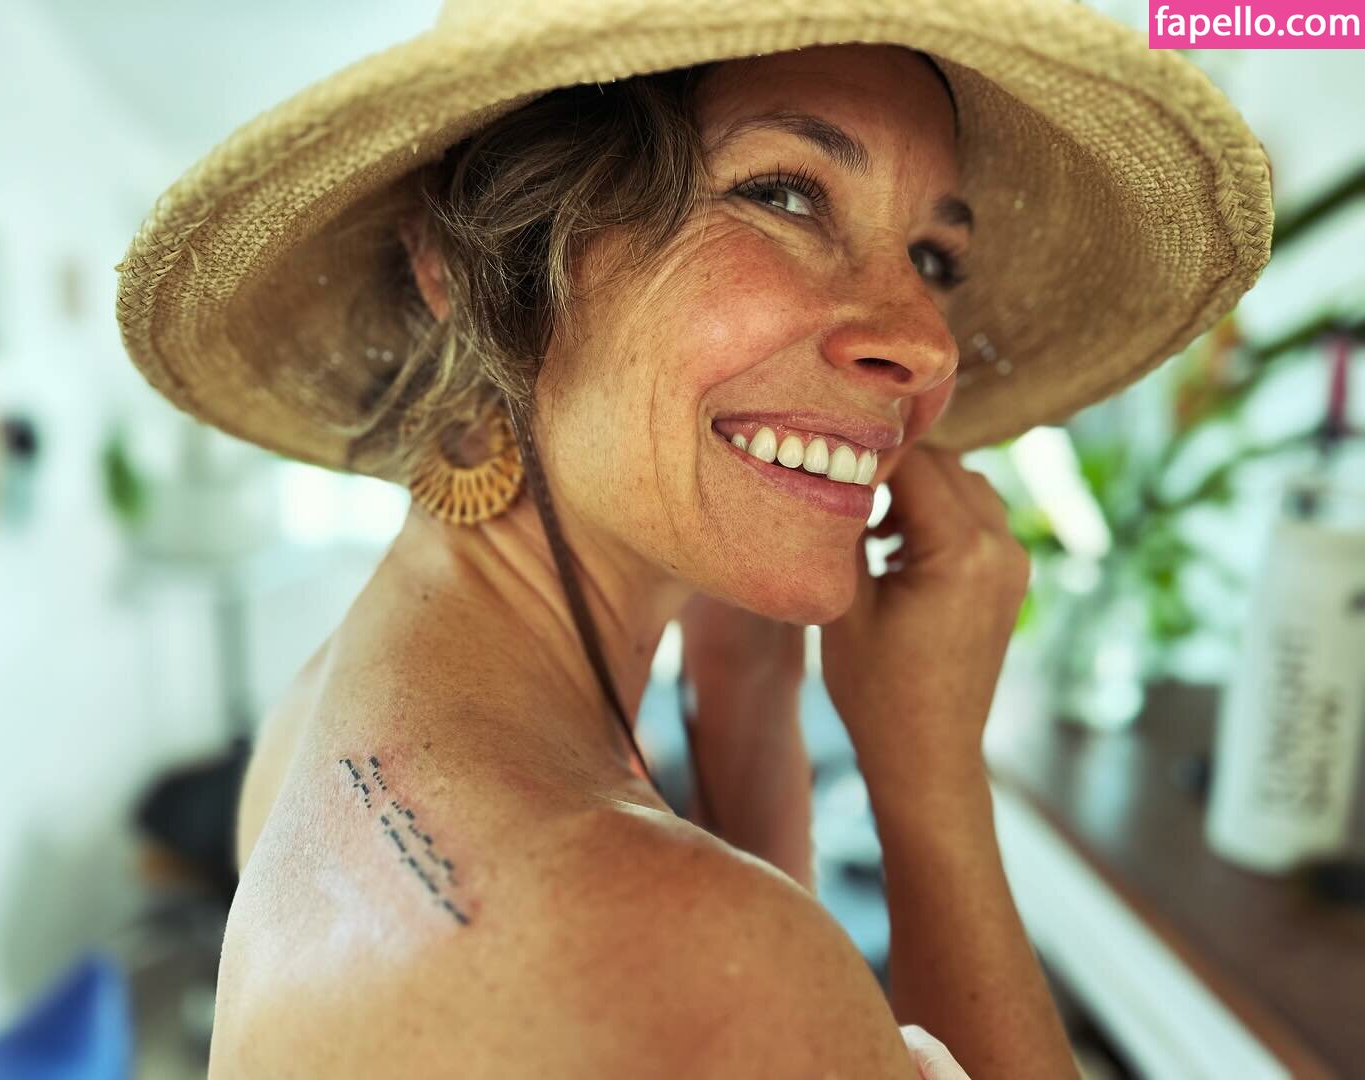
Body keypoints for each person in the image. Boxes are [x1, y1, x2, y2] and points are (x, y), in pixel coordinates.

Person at [114, 2, 1273, 1075]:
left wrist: (750, 691)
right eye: (784, 195)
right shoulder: (683, 941)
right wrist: (931, 784)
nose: (926, 344)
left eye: (932, 259)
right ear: (467, 265)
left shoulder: (318, 724)